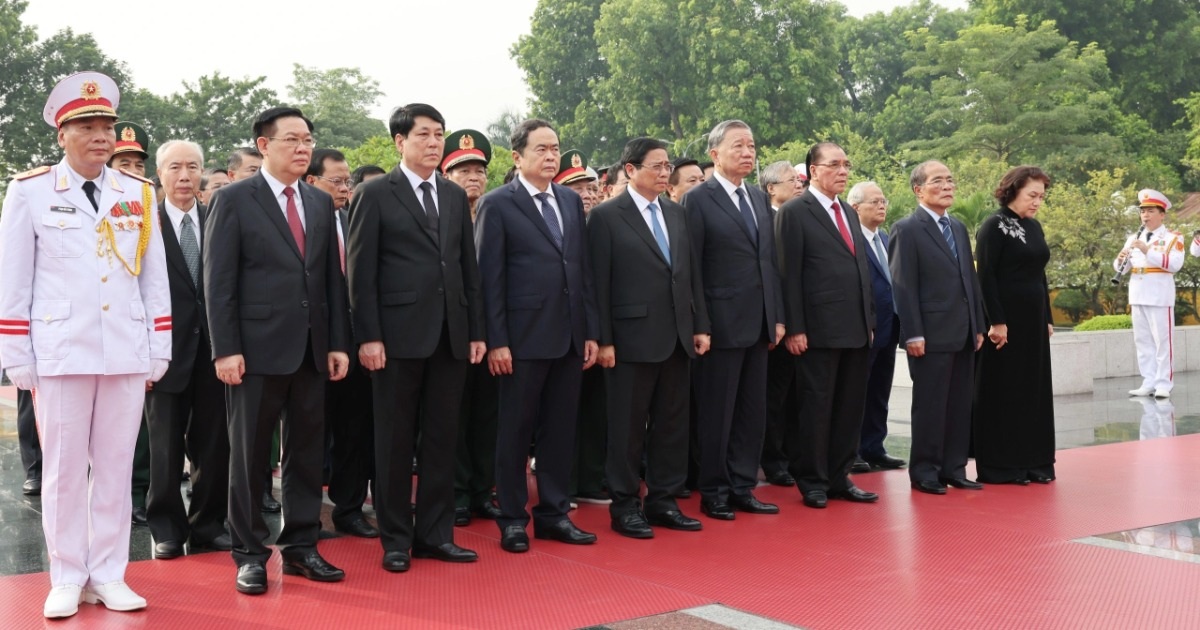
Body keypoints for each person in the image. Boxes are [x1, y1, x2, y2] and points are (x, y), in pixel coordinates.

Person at [0, 71, 170, 618]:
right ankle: (67, 575)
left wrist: (157, 344)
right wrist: (15, 353)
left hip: (122, 348)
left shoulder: (138, 192)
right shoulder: (29, 191)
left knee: (117, 468)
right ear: (62, 135)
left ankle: (110, 574)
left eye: (107, 127)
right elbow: (13, 279)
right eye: (88, 127)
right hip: (61, 350)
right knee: (65, 469)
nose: (102, 136)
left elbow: (153, 277)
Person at [204, 106, 350, 595]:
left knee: (306, 452)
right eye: (292, 139)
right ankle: (249, 553)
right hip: (254, 351)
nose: (304, 148)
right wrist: (226, 349)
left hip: (311, 348)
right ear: (264, 146)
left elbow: (331, 280)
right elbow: (218, 281)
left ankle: (303, 545)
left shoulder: (317, 201)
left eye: (307, 139)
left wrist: (337, 344)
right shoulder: (235, 200)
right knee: (248, 458)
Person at [347, 103, 485, 572]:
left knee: (443, 439)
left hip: (450, 335)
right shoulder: (375, 194)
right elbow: (360, 274)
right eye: (423, 134)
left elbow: (467, 268)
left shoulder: (450, 195)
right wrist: (368, 336)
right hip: (395, 338)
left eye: (438, 134)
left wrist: (475, 331)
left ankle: (435, 535)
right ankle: (395, 541)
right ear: (399, 141)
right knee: (393, 441)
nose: (433, 142)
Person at [475, 118, 600, 553]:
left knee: (560, 430)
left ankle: (553, 514)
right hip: (521, 340)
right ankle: (512, 518)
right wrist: (497, 340)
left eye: (555, 148)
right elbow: (488, 278)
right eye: (542, 149)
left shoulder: (568, 200)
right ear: (517, 156)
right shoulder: (498, 204)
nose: (551, 156)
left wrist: (589, 331)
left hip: (568, 335)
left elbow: (580, 271)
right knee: (514, 431)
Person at [588, 137, 710, 538]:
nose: (663, 173)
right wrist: (603, 339)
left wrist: (700, 325)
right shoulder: (607, 217)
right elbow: (598, 284)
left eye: (666, 166)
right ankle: (625, 506)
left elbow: (690, 277)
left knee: (671, 424)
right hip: (629, 339)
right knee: (626, 427)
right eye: (656, 166)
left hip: (677, 336)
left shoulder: (676, 214)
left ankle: (664, 500)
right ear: (630, 169)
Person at [683, 120, 783, 520]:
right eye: (738, 145)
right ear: (715, 154)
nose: (748, 152)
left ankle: (743, 484)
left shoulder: (758, 198)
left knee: (751, 410)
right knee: (717, 412)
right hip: (720, 325)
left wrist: (775, 317)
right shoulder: (699, 199)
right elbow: (693, 267)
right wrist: (700, 324)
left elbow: (768, 262)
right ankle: (714, 489)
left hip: (758, 323)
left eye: (752, 145)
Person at [777, 143, 878, 509]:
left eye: (846, 164)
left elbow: (861, 271)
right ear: (814, 170)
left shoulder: (848, 214)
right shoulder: (794, 212)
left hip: (854, 328)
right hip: (816, 330)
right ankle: (813, 480)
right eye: (834, 164)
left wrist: (869, 320)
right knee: (815, 408)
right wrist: (794, 327)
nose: (843, 170)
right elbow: (788, 275)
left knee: (849, 407)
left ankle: (840, 476)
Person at [144, 140, 231, 558]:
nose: (184, 176)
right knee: (164, 447)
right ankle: (166, 528)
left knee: (214, 445)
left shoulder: (218, 218)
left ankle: (208, 525)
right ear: (158, 174)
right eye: (175, 167)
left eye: (193, 167)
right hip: (162, 353)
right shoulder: (144, 223)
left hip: (215, 352)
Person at [889, 160, 985, 495]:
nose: (947, 186)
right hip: (929, 334)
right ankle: (925, 471)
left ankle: (954, 468)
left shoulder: (957, 227)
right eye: (938, 181)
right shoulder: (907, 229)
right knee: (930, 405)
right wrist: (912, 332)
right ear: (918, 189)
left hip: (962, 331)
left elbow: (968, 280)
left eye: (950, 180)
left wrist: (978, 323)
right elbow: (903, 286)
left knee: (959, 404)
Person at [306, 148, 377, 539]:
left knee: (355, 430)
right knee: (309, 434)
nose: (345, 188)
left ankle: (349, 509)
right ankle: (304, 516)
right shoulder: (301, 223)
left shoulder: (353, 220)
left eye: (347, 181)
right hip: (312, 344)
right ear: (311, 181)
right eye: (336, 180)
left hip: (353, 343)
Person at [973, 165, 1056, 485]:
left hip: (1033, 321)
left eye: (1041, 196)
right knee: (1005, 390)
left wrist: (1047, 318)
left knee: (1032, 390)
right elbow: (986, 277)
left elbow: (1040, 273)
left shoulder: (1034, 226)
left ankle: (1035, 461)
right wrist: (997, 321)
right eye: (1032, 195)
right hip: (1004, 323)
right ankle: (1003, 465)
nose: (1037, 202)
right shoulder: (993, 226)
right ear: (1013, 191)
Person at [439, 129, 502, 526]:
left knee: (489, 416)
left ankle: (483, 490)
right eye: (463, 170)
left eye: (479, 170)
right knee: (454, 417)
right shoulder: (440, 214)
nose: (473, 177)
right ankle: (457, 492)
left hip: (496, 332)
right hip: (454, 332)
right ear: (447, 175)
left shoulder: (497, 212)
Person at [111, 120, 153, 526]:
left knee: (146, 427)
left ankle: (143, 491)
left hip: (145, 333)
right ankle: (129, 495)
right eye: (123, 162)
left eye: (138, 164)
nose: (133, 170)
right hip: (108, 333)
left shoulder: (150, 205)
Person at [847, 181, 906, 472]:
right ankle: (852, 450)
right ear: (855, 207)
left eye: (883, 201)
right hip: (864, 327)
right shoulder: (851, 240)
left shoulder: (884, 239)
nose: (882, 206)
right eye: (874, 202)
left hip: (890, 326)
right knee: (858, 391)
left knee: (880, 390)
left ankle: (874, 447)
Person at [1116, 189, 1184, 399]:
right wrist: (1120, 260)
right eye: (1143, 211)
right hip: (1137, 293)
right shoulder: (1132, 238)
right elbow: (1122, 267)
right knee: (1143, 341)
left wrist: (1147, 250)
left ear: (1162, 214)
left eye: (1150, 211)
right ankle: (1149, 380)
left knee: (1163, 342)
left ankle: (1164, 383)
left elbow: (1174, 265)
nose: (1145, 215)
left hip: (1159, 295)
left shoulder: (1173, 238)